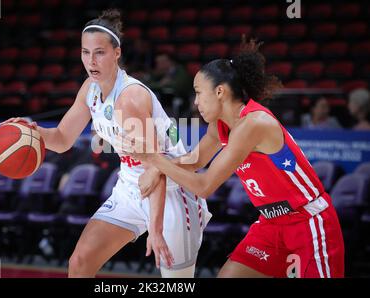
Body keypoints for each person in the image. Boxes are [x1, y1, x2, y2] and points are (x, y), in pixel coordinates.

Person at [0, 9, 210, 278]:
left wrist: (155, 229)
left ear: (117, 53)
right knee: (80, 262)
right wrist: (31, 132)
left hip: (169, 186)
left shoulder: (130, 98)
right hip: (131, 184)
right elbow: (63, 139)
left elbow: (155, 167)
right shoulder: (90, 89)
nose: (91, 60)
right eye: (85, 52)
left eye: (99, 52)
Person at [122, 37, 345, 278]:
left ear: (220, 91)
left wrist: (154, 160)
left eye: (198, 93)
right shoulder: (220, 125)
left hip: (308, 221)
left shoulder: (254, 123)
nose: (195, 102)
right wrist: (157, 169)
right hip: (271, 224)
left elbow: (205, 186)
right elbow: (195, 160)